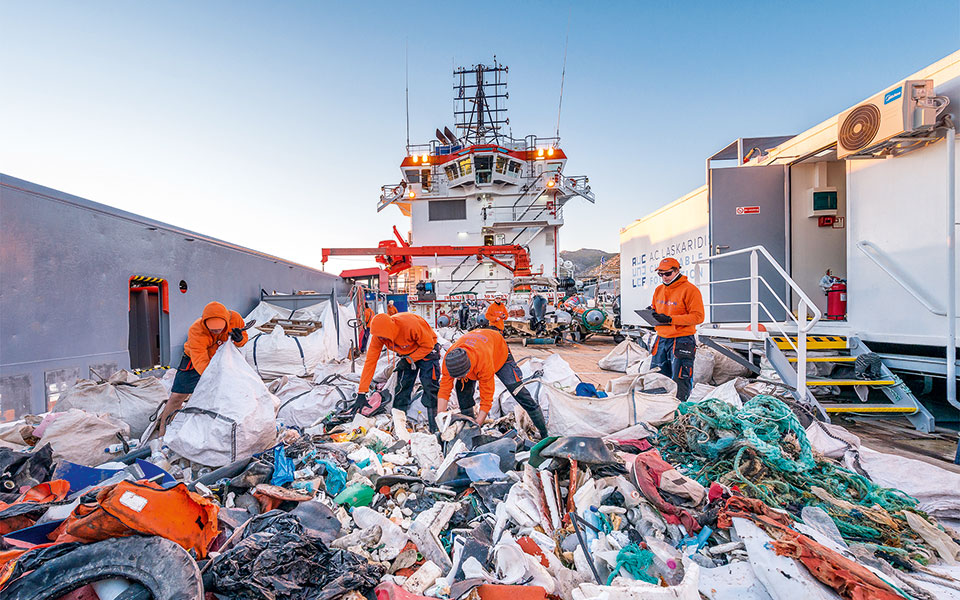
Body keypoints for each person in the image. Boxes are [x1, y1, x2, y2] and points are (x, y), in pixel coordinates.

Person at [437, 328, 549, 438]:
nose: (462, 378)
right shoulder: (450, 360)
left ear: (469, 368)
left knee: (519, 393)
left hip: (499, 351)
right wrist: (441, 419)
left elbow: (486, 397)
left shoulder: (483, 363)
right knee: (463, 393)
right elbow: (444, 390)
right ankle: (469, 432)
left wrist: (478, 424)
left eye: (463, 375)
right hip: (478, 345)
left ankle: (544, 434)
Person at [158, 301, 248, 436]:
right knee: (177, 396)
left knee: (228, 396)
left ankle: (226, 429)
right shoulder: (196, 330)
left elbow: (243, 340)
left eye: (219, 328)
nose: (216, 331)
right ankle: (162, 433)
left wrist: (240, 339)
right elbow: (200, 360)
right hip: (194, 362)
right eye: (213, 329)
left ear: (226, 321)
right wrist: (213, 379)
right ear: (205, 324)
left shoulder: (235, 319)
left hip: (223, 359)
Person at [355, 312, 442, 431]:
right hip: (406, 354)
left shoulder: (410, 325)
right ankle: (400, 426)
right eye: (380, 337)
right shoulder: (378, 336)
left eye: (384, 337)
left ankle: (435, 427)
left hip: (427, 350)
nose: (382, 339)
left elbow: (427, 346)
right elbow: (370, 362)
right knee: (401, 388)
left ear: (391, 330)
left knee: (430, 387)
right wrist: (362, 392)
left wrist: (409, 360)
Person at [648, 257, 704, 402]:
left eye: (667, 274)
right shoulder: (659, 290)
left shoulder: (690, 290)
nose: (664, 278)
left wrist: (671, 319)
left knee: (680, 379)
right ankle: (658, 409)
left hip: (682, 340)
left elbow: (698, 317)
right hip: (661, 338)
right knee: (657, 377)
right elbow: (656, 308)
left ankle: (679, 411)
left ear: (677, 271)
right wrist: (652, 313)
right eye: (661, 274)